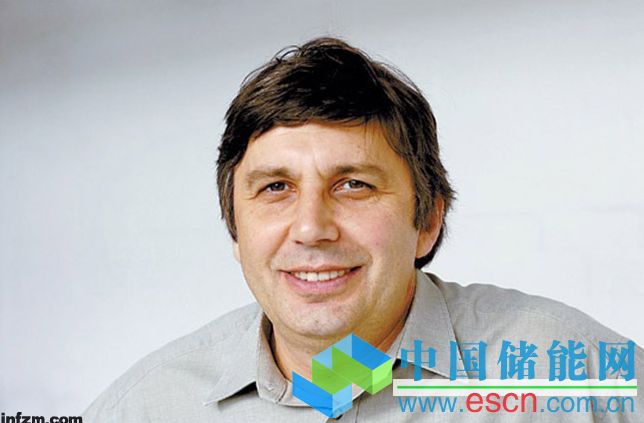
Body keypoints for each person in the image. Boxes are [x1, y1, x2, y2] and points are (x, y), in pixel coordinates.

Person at [83, 37, 643, 422]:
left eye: (354, 185)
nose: (311, 228)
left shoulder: (581, 375)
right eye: (275, 187)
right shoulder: (143, 408)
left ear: (427, 221)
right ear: (235, 227)